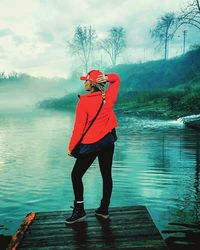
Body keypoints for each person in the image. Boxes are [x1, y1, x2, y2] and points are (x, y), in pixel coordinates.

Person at [65, 69, 120, 224]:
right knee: (106, 174)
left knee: (76, 175)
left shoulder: (84, 102)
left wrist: (71, 147)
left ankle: (80, 211)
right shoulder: (108, 96)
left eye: (86, 80)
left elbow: (78, 129)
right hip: (108, 142)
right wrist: (108, 77)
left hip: (91, 145)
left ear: (92, 83)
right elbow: (117, 79)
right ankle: (103, 209)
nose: (84, 82)